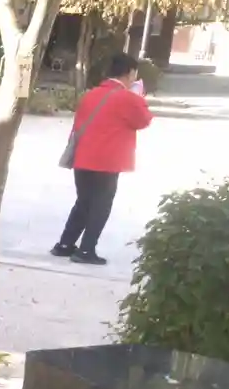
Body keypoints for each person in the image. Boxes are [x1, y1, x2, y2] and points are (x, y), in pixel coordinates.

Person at [52, 52, 153, 266]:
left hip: (82, 157)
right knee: (101, 205)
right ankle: (86, 250)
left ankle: (64, 244)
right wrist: (138, 96)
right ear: (129, 73)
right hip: (107, 161)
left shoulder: (91, 94)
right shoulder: (127, 98)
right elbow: (143, 120)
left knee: (84, 202)